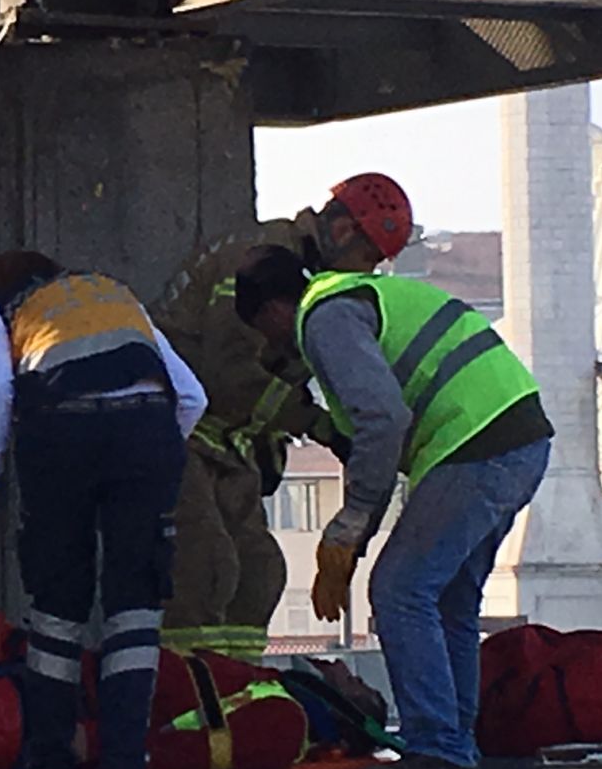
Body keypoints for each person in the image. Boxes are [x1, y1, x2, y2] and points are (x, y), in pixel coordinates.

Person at [235, 244, 552, 769]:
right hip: (516, 439)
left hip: (474, 443)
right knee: (448, 598)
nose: (275, 348)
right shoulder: (356, 299)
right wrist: (351, 545)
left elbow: (382, 420)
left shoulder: (324, 318)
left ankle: (438, 749)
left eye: (266, 334)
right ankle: (457, 743)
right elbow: (379, 442)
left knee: (401, 592)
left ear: (271, 312)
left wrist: (350, 522)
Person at [0, 250, 206, 769]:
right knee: (135, 604)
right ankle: (125, 768)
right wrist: (154, 461)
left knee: (57, 605)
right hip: (146, 430)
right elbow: (192, 397)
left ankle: (52, 766)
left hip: (58, 433)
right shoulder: (116, 298)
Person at [150, 173, 411, 666]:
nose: (368, 275)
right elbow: (229, 375)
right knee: (204, 566)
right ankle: (186, 700)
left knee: (260, 571)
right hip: (176, 435)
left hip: (232, 445)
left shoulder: (307, 286)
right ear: (341, 234)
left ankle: (237, 694)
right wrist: (318, 426)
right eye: (368, 258)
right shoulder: (255, 262)